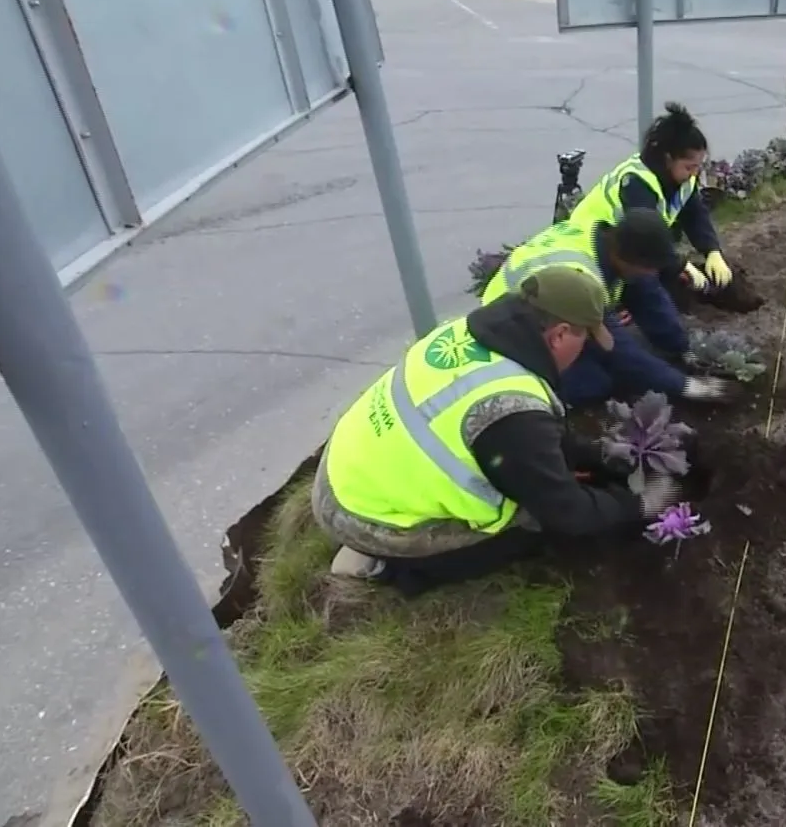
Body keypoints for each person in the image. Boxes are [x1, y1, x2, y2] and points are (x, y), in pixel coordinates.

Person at [314, 267, 686, 595]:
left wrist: (601, 459)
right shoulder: (509, 410)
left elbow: (537, 442)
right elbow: (568, 514)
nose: (587, 347)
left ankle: (377, 530)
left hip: (348, 466)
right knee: (527, 529)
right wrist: (641, 503)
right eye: (585, 337)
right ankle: (384, 564)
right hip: (357, 510)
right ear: (558, 335)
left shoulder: (475, 333)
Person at [481, 208, 735, 406]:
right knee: (594, 382)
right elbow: (614, 348)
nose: (654, 273)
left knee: (639, 342)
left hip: (546, 310)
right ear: (630, 258)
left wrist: (682, 348)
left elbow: (650, 296)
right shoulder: (583, 279)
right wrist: (685, 386)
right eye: (651, 267)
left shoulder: (608, 241)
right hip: (512, 332)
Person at [565, 103, 734, 295]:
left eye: (698, 166)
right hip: (589, 248)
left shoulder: (682, 179)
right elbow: (646, 243)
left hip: (620, 248)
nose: (695, 173)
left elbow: (694, 215)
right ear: (668, 158)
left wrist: (712, 251)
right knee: (645, 284)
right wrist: (680, 266)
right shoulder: (637, 183)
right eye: (689, 167)